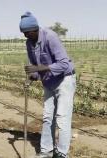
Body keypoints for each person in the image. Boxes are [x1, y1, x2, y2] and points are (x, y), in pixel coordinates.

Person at [20, 12, 76, 158]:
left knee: (62, 118)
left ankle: (62, 153)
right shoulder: (29, 43)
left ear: (35, 29)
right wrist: (32, 76)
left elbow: (64, 64)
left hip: (64, 80)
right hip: (48, 82)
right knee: (47, 117)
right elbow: (35, 66)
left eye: (28, 33)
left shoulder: (50, 37)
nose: (26, 36)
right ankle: (46, 150)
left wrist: (40, 68)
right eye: (24, 33)